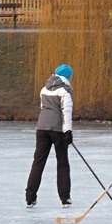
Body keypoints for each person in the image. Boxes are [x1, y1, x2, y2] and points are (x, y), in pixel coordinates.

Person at [25, 64, 74, 208]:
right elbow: (66, 111)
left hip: (41, 128)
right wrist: (68, 131)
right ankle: (65, 197)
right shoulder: (65, 90)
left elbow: (43, 108)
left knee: (38, 162)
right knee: (62, 162)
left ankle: (30, 197)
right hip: (57, 130)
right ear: (67, 76)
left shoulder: (44, 89)